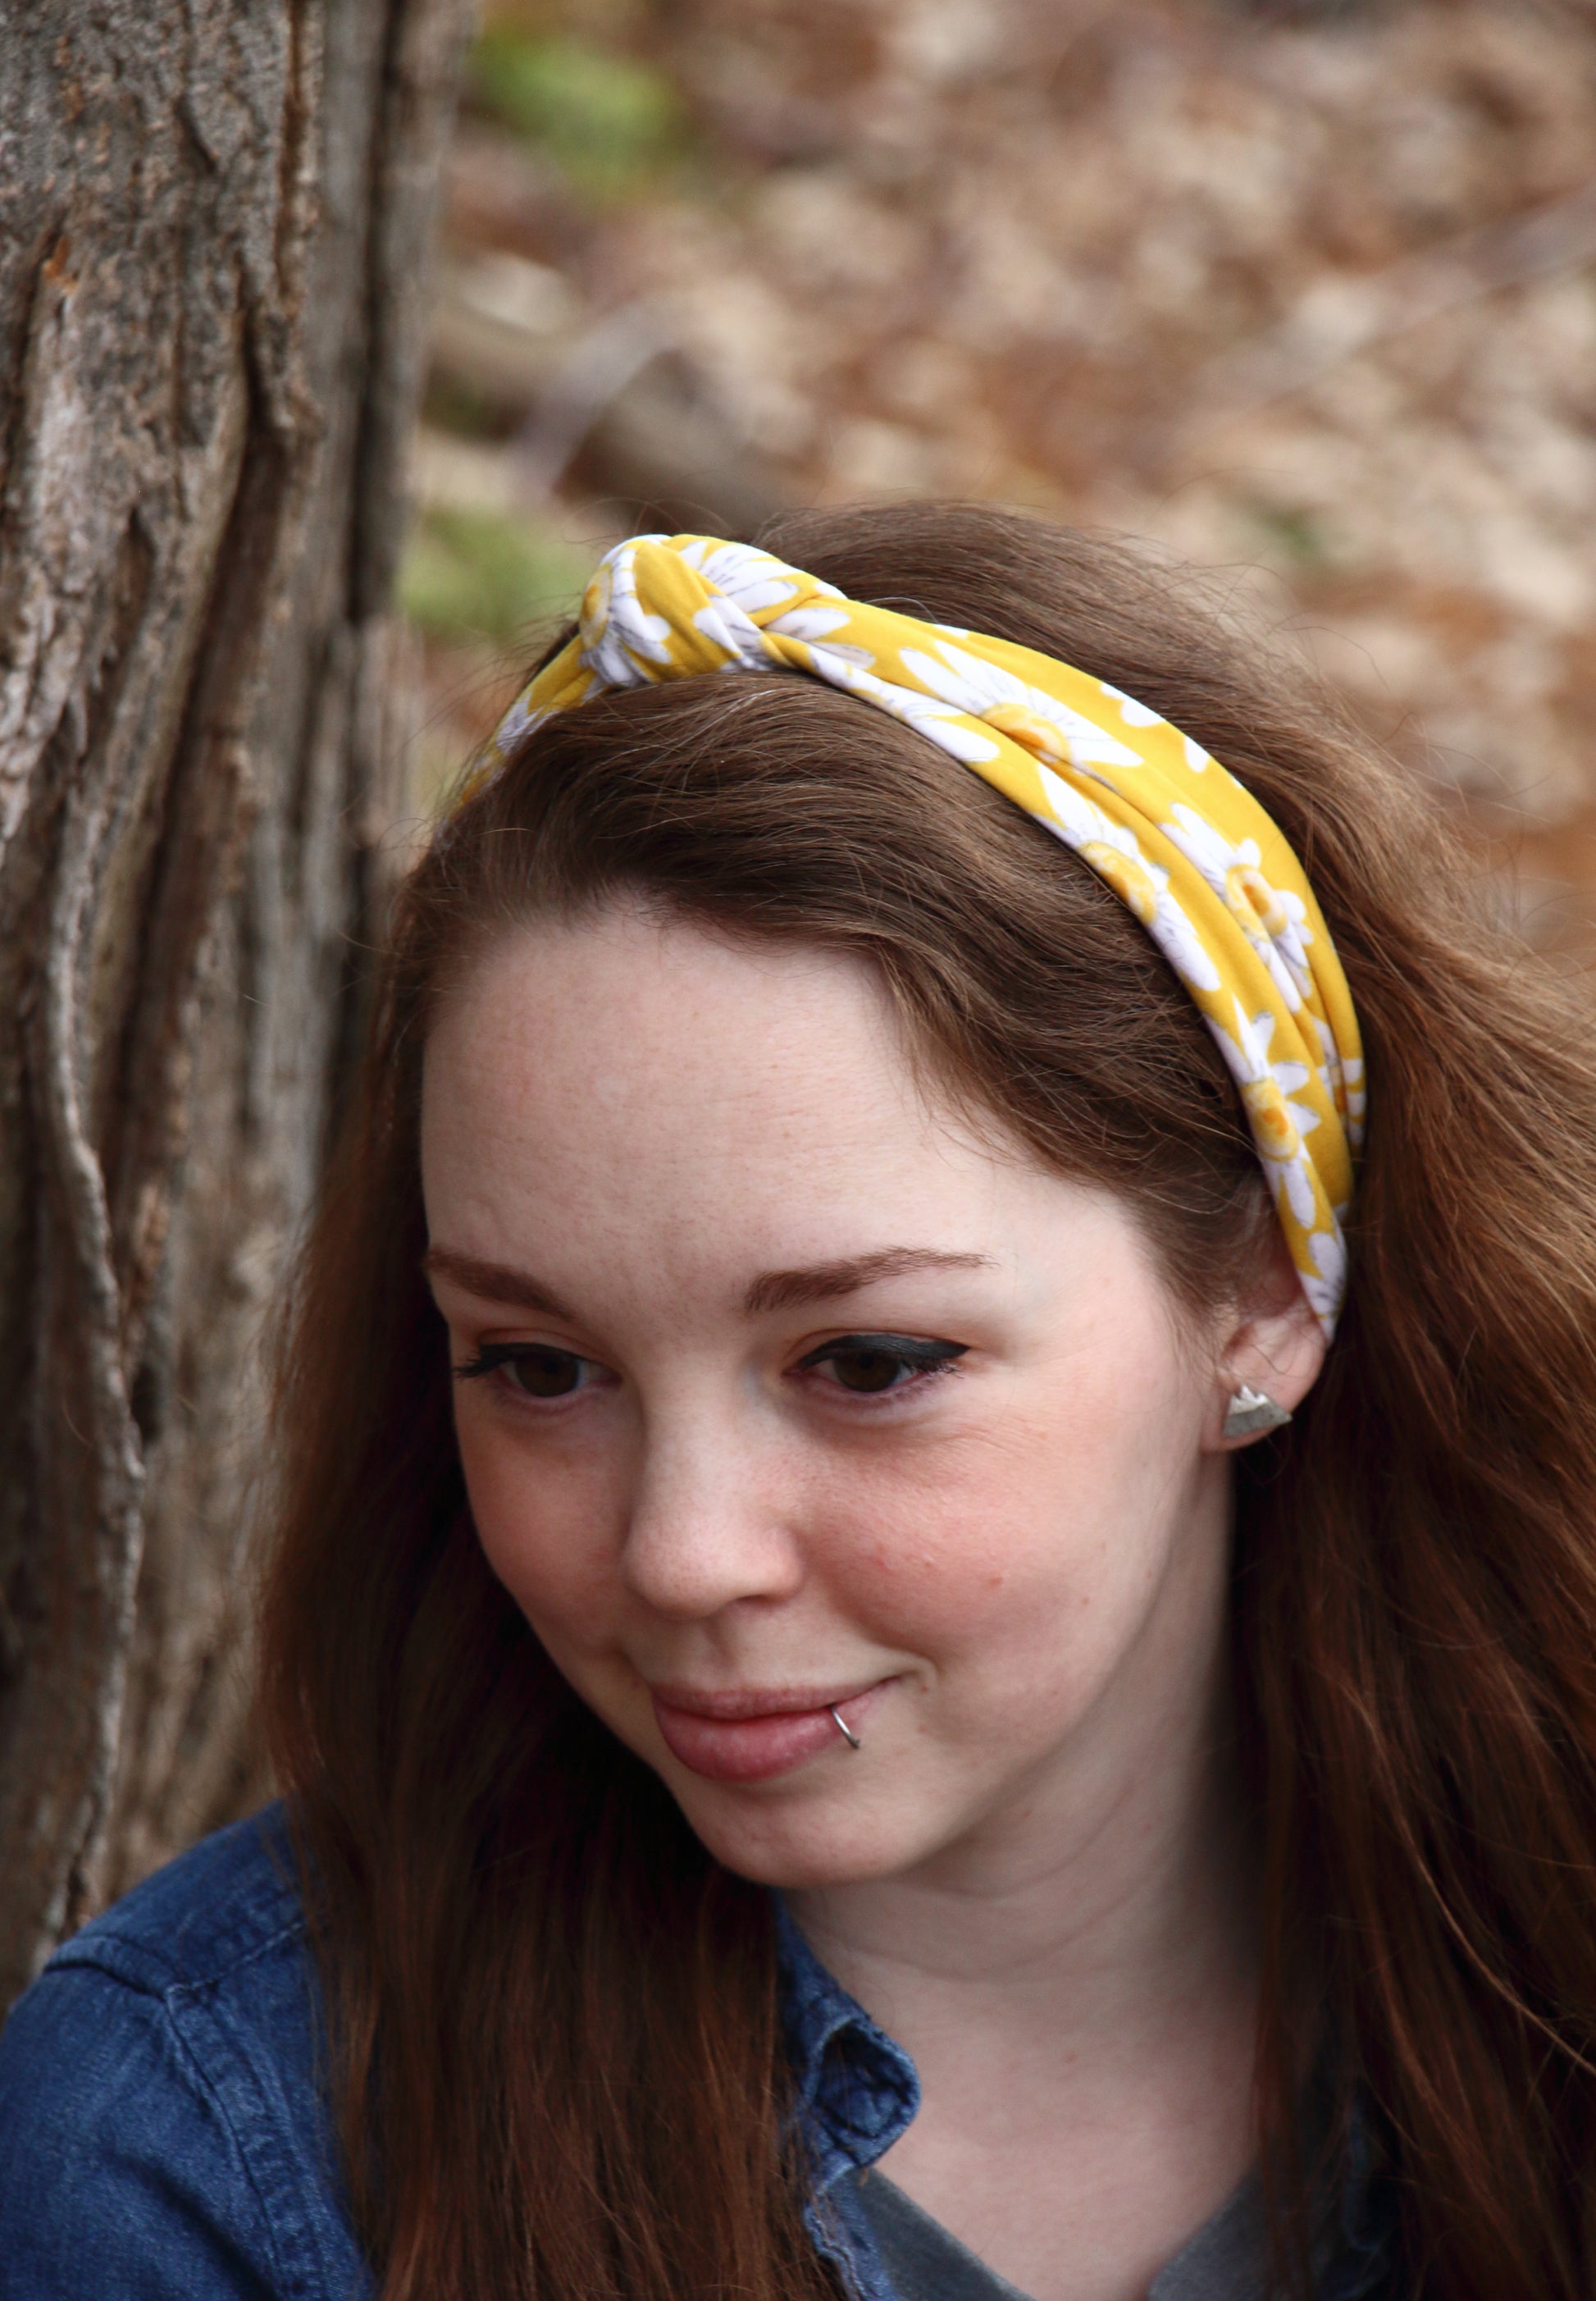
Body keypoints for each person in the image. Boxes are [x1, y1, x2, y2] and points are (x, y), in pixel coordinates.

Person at [2, 505, 1594, 2301]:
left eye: (867, 1362)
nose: (681, 1553)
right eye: (540, 1365)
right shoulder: (199, 2151)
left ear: (1259, 1288)